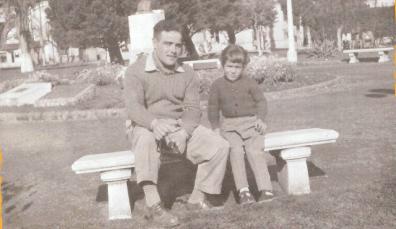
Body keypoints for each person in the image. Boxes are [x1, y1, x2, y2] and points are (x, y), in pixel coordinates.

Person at [123, 19, 230, 228]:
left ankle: (197, 199)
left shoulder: (188, 73)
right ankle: (154, 206)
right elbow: (134, 108)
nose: (173, 50)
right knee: (144, 140)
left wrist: (184, 133)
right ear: (155, 43)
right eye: (167, 43)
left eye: (177, 45)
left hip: (178, 126)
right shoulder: (135, 71)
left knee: (219, 146)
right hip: (145, 125)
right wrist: (154, 124)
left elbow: (192, 108)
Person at [207, 45, 274, 205]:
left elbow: (261, 102)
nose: (233, 70)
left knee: (254, 151)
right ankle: (243, 191)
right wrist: (215, 128)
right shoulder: (217, 85)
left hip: (251, 123)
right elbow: (213, 108)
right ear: (223, 65)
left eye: (237, 67)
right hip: (229, 127)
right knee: (235, 151)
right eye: (229, 66)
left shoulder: (249, 82)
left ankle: (266, 189)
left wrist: (261, 119)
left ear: (243, 67)